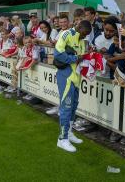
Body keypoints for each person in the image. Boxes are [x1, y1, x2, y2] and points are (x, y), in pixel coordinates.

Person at [54, 20, 92, 152]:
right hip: (66, 78)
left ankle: (69, 133)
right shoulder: (66, 34)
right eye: (84, 33)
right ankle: (62, 139)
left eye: (87, 35)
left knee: (73, 107)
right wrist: (75, 59)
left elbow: (81, 58)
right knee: (66, 107)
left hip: (76, 79)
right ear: (79, 27)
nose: (85, 36)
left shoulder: (82, 41)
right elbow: (58, 53)